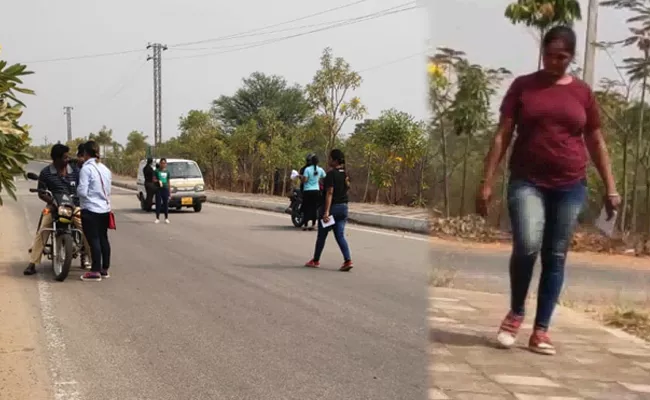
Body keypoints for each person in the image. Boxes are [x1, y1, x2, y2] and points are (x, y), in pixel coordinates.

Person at [476, 26, 620, 355]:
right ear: (542, 52)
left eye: (563, 57)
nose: (556, 62)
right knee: (527, 244)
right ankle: (515, 313)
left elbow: (596, 141)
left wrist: (611, 188)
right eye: (550, 55)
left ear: (571, 57)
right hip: (527, 180)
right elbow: (502, 135)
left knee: (555, 255)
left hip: (570, 185)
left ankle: (541, 330)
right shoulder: (523, 87)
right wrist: (487, 182)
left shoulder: (582, 93)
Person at [24, 144, 92, 275]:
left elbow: (83, 188)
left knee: (87, 229)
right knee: (43, 229)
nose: (67, 160)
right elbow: (41, 193)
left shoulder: (75, 172)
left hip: (74, 207)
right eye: (65, 157)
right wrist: (52, 202)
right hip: (54, 207)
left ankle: (92, 260)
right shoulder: (46, 173)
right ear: (56, 159)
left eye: (68, 157)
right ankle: (32, 263)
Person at [305, 149, 353, 271]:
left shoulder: (331, 174)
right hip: (343, 208)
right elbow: (347, 188)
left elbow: (330, 193)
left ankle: (315, 260)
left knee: (322, 235)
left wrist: (326, 212)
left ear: (335, 160)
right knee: (340, 235)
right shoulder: (345, 174)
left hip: (332, 209)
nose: (329, 160)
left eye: (331, 158)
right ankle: (348, 260)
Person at [77, 141, 113, 282]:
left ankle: (95, 271)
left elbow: (83, 191)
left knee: (94, 240)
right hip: (104, 208)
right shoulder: (105, 169)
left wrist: (78, 194)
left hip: (90, 208)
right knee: (103, 238)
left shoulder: (86, 169)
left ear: (85, 154)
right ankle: (104, 269)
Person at [300, 154, 326, 231]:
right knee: (314, 208)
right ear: (318, 162)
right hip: (316, 191)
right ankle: (314, 224)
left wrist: (301, 178)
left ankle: (305, 225)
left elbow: (305, 180)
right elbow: (324, 177)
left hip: (307, 191)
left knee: (306, 208)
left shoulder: (307, 169)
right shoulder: (320, 169)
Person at [155, 158, 171, 224]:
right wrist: (158, 181)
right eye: (162, 163)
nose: (163, 164)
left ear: (166, 164)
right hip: (158, 189)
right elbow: (153, 179)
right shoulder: (156, 171)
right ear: (160, 164)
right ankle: (157, 218)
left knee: (165, 204)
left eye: (164, 163)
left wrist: (169, 192)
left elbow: (168, 181)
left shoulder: (167, 172)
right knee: (158, 204)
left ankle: (166, 218)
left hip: (165, 189)